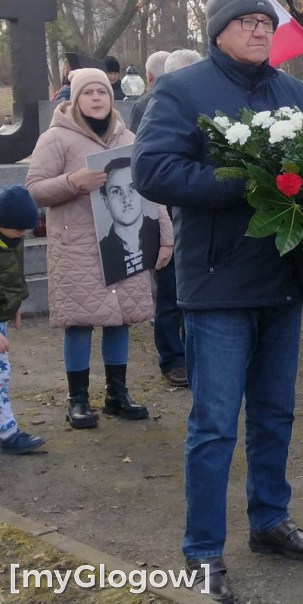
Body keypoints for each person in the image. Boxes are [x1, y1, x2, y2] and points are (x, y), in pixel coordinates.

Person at [133, 0, 303, 603]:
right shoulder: (183, 90)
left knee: (276, 413)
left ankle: (270, 520)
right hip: (216, 283)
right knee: (215, 424)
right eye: (245, 22)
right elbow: (154, 170)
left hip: (282, 278)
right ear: (217, 30)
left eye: (264, 23)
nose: (258, 31)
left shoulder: (298, 94)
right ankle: (201, 552)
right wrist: (248, 179)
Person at [26, 68, 172, 431]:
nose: (96, 98)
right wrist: (74, 182)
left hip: (126, 244)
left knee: (120, 319)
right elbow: (34, 190)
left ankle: (116, 394)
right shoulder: (56, 138)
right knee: (79, 322)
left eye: (102, 92)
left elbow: (152, 191)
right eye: (88, 92)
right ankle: (77, 400)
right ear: (75, 99)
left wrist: (166, 236)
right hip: (77, 247)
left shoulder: (129, 137)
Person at [130, 49, 203, 387]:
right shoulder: (151, 105)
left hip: (199, 210)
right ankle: (172, 358)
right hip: (167, 211)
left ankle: (194, 351)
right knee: (170, 290)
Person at [0, 185, 47, 454]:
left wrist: (16, 303)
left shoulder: (11, 240)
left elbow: (13, 274)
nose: (22, 235)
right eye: (17, 229)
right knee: (1, 376)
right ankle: (8, 433)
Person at [97, 157, 161, 286]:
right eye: (116, 191)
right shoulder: (102, 251)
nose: (126, 199)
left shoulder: (163, 236)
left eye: (132, 187)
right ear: (106, 202)